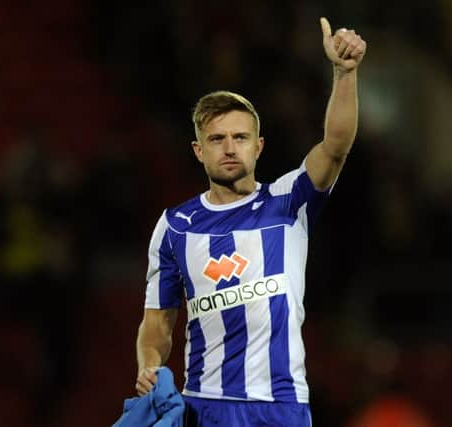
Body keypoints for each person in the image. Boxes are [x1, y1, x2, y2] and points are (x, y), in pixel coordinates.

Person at [133, 17, 367, 426]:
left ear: (258, 147)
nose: (229, 148)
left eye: (240, 138)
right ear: (197, 151)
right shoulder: (175, 227)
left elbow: (335, 147)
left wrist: (344, 74)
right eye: (216, 139)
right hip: (204, 406)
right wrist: (149, 366)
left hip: (281, 405)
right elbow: (157, 322)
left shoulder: (288, 201)